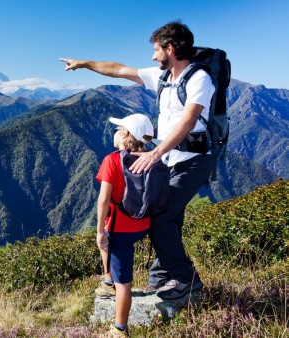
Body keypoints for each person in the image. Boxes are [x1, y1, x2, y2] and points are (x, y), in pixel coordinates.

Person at [60, 20, 211, 302]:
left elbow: (189, 120)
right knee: (166, 215)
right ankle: (162, 277)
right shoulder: (163, 77)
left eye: (156, 50)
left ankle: (186, 279)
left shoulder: (199, 79)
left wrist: (155, 152)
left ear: (170, 48)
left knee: (161, 214)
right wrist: (84, 64)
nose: (153, 57)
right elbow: (118, 70)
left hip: (193, 160)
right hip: (169, 160)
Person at [95, 114, 154, 337]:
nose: (116, 131)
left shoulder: (112, 160)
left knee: (124, 283)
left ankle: (119, 329)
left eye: (119, 128)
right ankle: (108, 279)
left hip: (119, 228)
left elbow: (103, 200)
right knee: (107, 243)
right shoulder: (150, 157)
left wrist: (100, 230)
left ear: (126, 134)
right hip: (144, 223)